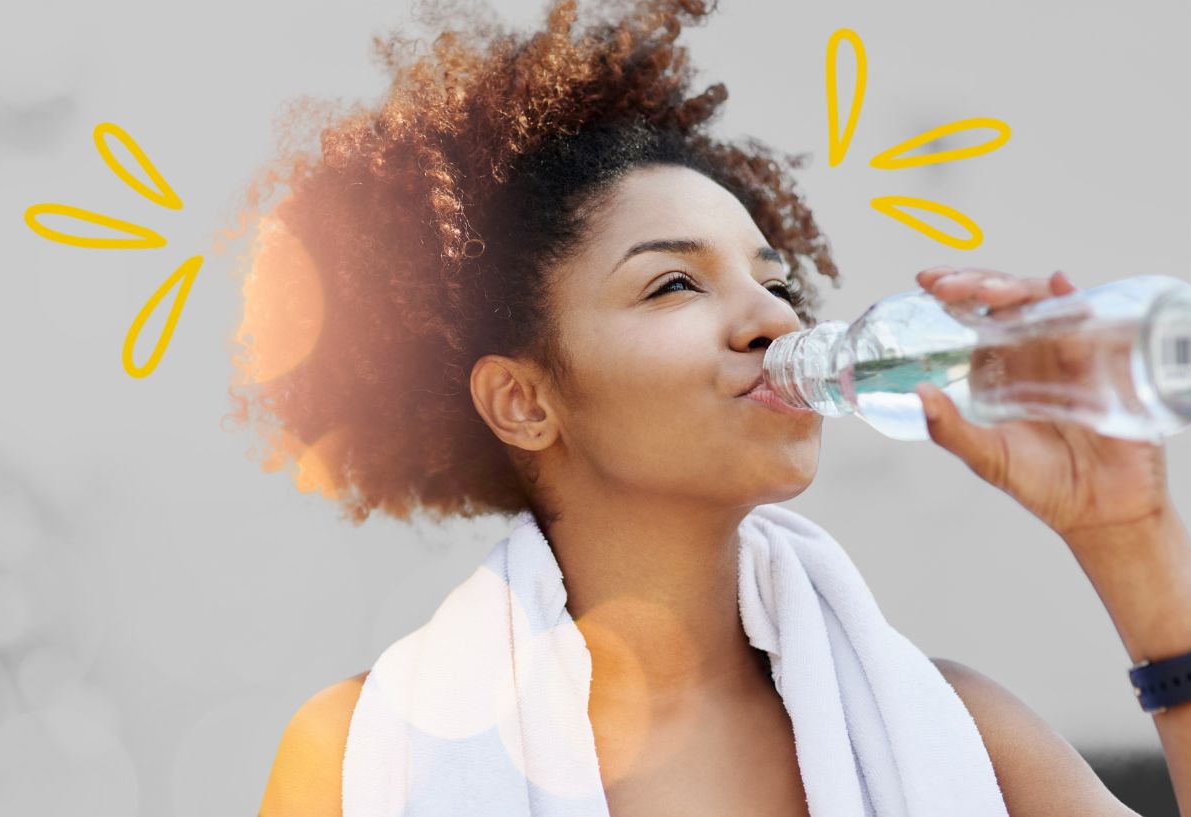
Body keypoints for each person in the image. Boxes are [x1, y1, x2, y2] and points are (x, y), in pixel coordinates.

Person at [235, 1, 1190, 814]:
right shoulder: (362, 759)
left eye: (774, 282)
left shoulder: (961, 731)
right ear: (523, 400)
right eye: (675, 285)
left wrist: (1130, 537)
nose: (772, 318)